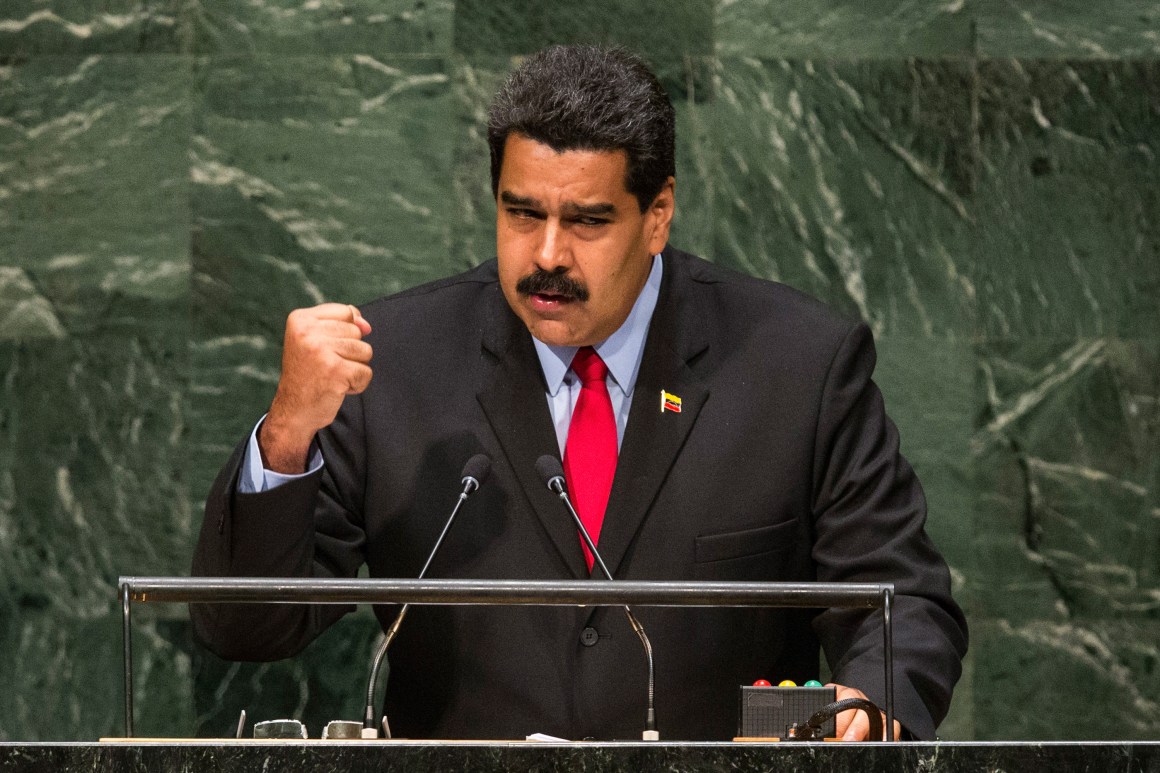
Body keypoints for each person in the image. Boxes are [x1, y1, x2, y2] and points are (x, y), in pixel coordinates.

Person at [192, 44, 967, 742]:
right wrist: (288, 429)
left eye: (588, 221)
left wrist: (869, 703)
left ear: (656, 215)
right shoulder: (393, 364)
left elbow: (904, 604)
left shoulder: (797, 366)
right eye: (521, 213)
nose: (548, 254)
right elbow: (246, 623)